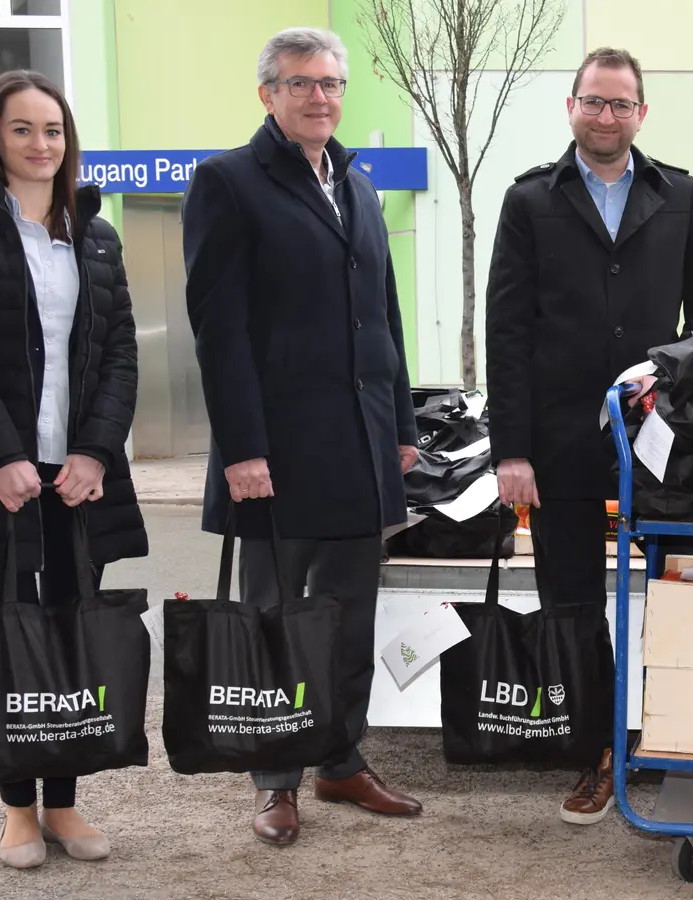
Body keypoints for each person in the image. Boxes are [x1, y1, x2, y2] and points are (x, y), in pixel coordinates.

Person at [485, 47, 693, 825]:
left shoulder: (678, 195)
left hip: (665, 441)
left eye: (620, 104)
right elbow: (506, 332)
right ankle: (601, 754)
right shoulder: (529, 201)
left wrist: (680, 383)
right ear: (571, 107)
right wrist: (512, 451)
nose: (606, 116)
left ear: (641, 114)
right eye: (593, 102)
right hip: (560, 442)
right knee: (574, 604)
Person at [181, 27, 422, 846]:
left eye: (331, 84)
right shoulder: (227, 182)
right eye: (301, 84)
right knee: (275, 620)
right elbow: (219, 330)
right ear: (268, 95)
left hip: (361, 444)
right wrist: (242, 449)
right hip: (275, 456)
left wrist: (404, 426)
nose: (320, 97)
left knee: (351, 619)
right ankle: (275, 778)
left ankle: (340, 761)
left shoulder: (353, 182)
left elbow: (382, 313)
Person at [0, 70, 149, 869]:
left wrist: (93, 450)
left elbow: (120, 352)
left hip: (78, 475)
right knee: (10, 635)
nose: (40, 144)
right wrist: (3, 455)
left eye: (52, 129)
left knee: (75, 634)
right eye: (23, 129)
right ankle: (17, 810)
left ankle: (67, 804)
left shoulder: (96, 232)